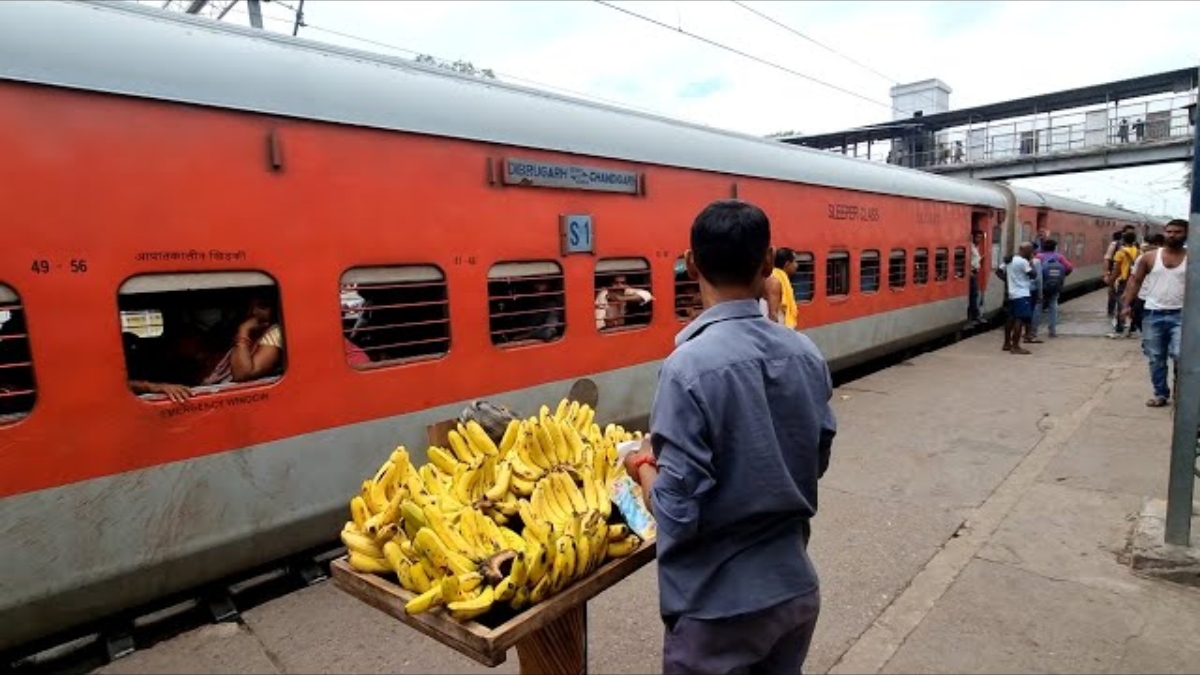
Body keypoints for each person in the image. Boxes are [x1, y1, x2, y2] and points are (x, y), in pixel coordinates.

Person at [622, 200, 834, 674]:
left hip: (716, 609)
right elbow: (812, 459)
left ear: (691, 262)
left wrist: (640, 465)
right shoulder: (806, 354)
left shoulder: (686, 369)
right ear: (768, 261)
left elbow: (676, 512)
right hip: (793, 590)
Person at [1122, 219, 1187, 407]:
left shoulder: (1193, 258)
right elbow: (1135, 281)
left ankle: (1180, 390)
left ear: (1186, 234)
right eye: (1169, 231)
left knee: (1179, 354)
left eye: (1178, 232)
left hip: (1182, 315)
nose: (1173, 235)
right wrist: (1127, 305)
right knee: (1155, 357)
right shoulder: (1149, 257)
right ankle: (1160, 394)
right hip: (1152, 314)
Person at [200, 291, 285, 385]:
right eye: (249, 306)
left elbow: (242, 375)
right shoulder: (241, 327)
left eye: (262, 307)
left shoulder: (275, 332)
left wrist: (243, 331)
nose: (253, 312)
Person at [1033, 239, 1074, 338]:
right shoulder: (1059, 257)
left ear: (1042, 247)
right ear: (1055, 247)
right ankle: (1052, 331)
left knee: (1038, 307)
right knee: (1053, 307)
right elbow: (1069, 268)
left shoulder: (1039, 257)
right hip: (1055, 286)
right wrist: (1061, 277)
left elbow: (1033, 270)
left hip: (1042, 286)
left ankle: (1033, 331)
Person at [1002, 242, 1037, 354]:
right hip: (1022, 294)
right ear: (1023, 249)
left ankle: (1007, 343)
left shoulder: (1010, 260)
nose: (1032, 253)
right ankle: (1015, 346)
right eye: (1030, 250)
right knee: (1020, 319)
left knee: (1010, 319)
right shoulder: (1023, 262)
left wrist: (1008, 280)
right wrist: (1031, 262)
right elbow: (1034, 275)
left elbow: (999, 271)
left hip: (1012, 294)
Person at [1129, 234, 1165, 336]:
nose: (1147, 246)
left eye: (1151, 244)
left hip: (1157, 300)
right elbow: (1134, 279)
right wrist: (1128, 300)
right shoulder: (1143, 258)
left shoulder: (1175, 257)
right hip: (1144, 297)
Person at [1108, 231, 1141, 338]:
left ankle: (1119, 328)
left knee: (1121, 304)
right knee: (1133, 304)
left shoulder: (1120, 252)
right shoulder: (1139, 252)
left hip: (1124, 281)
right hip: (1136, 280)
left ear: (1123, 240)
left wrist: (1111, 281)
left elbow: (1116, 269)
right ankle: (1133, 328)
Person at [761, 247, 799, 329]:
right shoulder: (775, 281)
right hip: (779, 328)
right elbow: (773, 314)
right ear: (787, 264)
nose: (797, 265)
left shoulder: (777, 277)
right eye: (795, 261)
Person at [968, 231, 985, 324]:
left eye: (980, 237)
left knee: (974, 294)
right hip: (971, 273)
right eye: (977, 237)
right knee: (974, 294)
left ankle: (975, 314)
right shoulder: (970, 246)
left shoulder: (975, 247)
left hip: (975, 272)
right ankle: (975, 315)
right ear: (973, 237)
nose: (979, 239)